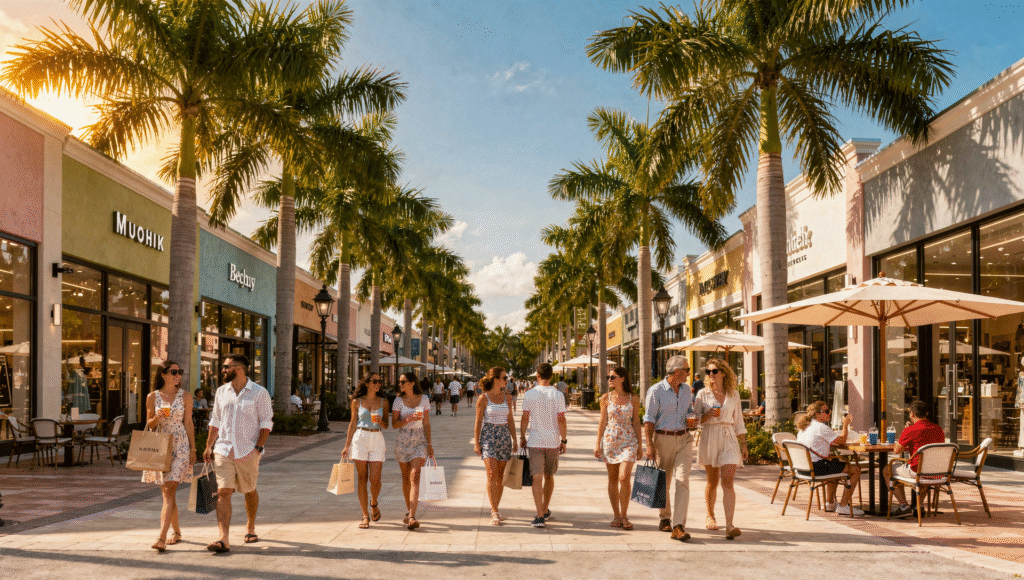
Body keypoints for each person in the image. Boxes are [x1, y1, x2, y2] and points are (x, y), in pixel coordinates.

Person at [203, 354, 273, 553]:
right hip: (223, 450)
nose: (223, 370)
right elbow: (215, 420)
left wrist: (257, 448)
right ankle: (223, 538)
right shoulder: (221, 392)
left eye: (226, 367)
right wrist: (209, 446)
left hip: (248, 451)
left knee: (249, 490)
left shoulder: (259, 393)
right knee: (223, 491)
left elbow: (266, 422)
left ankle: (250, 527)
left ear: (238, 369)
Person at [144, 360, 196, 552]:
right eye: (173, 371)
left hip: (180, 444)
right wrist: (156, 418)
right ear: (163, 374)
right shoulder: (152, 396)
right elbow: (149, 425)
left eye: (179, 372)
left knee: (170, 487)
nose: (177, 375)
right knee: (168, 492)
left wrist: (193, 449)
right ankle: (177, 531)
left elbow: (189, 423)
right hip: (161, 445)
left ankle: (161, 537)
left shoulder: (186, 396)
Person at [693, 358, 747, 539]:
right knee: (712, 481)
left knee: (728, 481)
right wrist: (707, 415)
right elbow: (695, 421)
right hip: (710, 435)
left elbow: (738, 420)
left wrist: (744, 443)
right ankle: (710, 515)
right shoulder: (702, 394)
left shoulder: (734, 394)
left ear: (723, 373)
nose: (711, 375)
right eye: (708, 372)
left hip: (729, 436)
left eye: (714, 371)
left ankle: (730, 525)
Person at [643, 354, 694, 541]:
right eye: (687, 370)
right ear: (678, 372)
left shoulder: (687, 390)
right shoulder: (656, 391)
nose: (689, 374)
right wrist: (649, 445)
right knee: (663, 482)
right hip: (662, 438)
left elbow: (689, 410)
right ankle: (665, 518)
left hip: (684, 438)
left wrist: (692, 417)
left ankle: (678, 525)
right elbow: (648, 419)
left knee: (682, 481)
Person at [795, 400, 863, 515]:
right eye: (826, 411)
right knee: (856, 470)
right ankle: (843, 505)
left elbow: (818, 444)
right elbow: (841, 440)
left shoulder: (805, 427)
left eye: (829, 410)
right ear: (818, 414)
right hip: (816, 468)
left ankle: (830, 503)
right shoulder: (821, 427)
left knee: (835, 463)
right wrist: (845, 425)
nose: (829, 413)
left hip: (802, 469)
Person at [520, 362, 567, 528]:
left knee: (537, 477)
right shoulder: (558, 395)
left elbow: (525, 417)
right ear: (551, 376)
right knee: (549, 476)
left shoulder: (529, 394)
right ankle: (545, 508)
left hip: (535, 441)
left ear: (537, 376)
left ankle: (539, 515)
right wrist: (564, 440)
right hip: (553, 442)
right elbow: (561, 419)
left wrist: (522, 436)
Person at [594, 366, 641, 530]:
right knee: (613, 479)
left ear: (622, 378)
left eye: (612, 377)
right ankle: (617, 515)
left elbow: (636, 422)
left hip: (629, 440)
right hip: (610, 440)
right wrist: (597, 444)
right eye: (608, 377)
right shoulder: (606, 398)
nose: (609, 380)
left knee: (624, 477)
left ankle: (625, 515)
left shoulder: (633, 398)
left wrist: (640, 445)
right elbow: (602, 421)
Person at [341, 372, 390, 528]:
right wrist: (347, 445)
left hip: (377, 438)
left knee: (375, 480)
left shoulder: (384, 402)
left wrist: (381, 420)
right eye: (374, 381)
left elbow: (386, 425)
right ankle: (364, 515)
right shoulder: (357, 402)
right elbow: (352, 424)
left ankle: (374, 502)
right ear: (367, 383)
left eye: (379, 381)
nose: (377, 384)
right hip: (360, 438)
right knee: (362, 478)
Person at [883, 400, 946, 517]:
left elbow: (897, 450)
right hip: (937, 472)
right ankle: (919, 506)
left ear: (911, 414)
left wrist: (905, 432)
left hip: (917, 471)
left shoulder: (910, 430)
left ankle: (904, 506)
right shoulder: (938, 429)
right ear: (926, 413)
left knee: (888, 469)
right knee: (925, 469)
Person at [474, 366, 518, 525]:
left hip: (504, 436)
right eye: (505, 378)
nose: (507, 381)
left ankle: (496, 509)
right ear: (496, 380)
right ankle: (494, 511)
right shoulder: (483, 398)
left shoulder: (507, 396)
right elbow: (478, 421)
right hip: (488, 437)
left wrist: (515, 439)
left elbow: (510, 419)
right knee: (492, 475)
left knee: (499, 478)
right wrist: (477, 442)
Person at [392, 371, 433, 530]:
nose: (400, 385)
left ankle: (412, 516)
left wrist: (429, 444)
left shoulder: (424, 399)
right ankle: (409, 511)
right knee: (405, 479)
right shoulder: (398, 401)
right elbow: (394, 424)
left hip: (419, 440)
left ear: (412, 383)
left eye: (403, 382)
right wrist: (408, 419)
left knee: (415, 475)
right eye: (400, 382)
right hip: (402, 440)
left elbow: (427, 423)